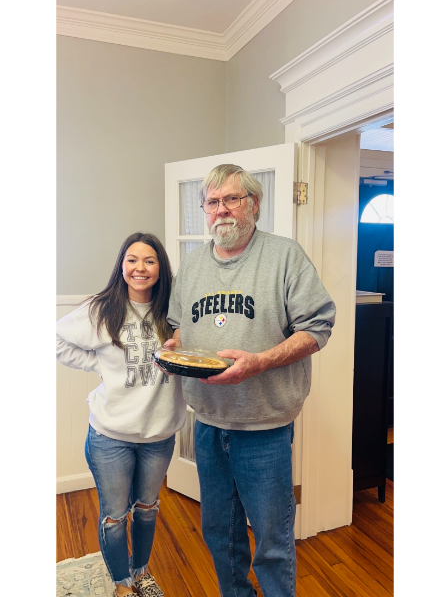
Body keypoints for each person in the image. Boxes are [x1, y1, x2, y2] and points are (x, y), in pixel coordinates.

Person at [165, 164, 336, 597]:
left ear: (253, 205)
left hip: (265, 430)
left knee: (273, 540)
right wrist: (173, 348)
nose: (221, 210)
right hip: (207, 423)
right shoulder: (191, 266)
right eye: (212, 202)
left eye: (231, 199)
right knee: (220, 533)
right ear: (204, 210)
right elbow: (180, 327)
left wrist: (260, 361)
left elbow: (317, 328)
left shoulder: (284, 255)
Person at [56, 232, 186, 597]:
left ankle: (140, 572)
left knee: (147, 508)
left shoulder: (171, 313)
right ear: (122, 265)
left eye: (149, 260)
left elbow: (188, 356)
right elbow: (59, 337)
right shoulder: (103, 309)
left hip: (159, 435)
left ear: (160, 268)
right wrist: (98, 365)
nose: (140, 268)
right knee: (115, 517)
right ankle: (121, 584)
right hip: (109, 437)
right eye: (132, 260)